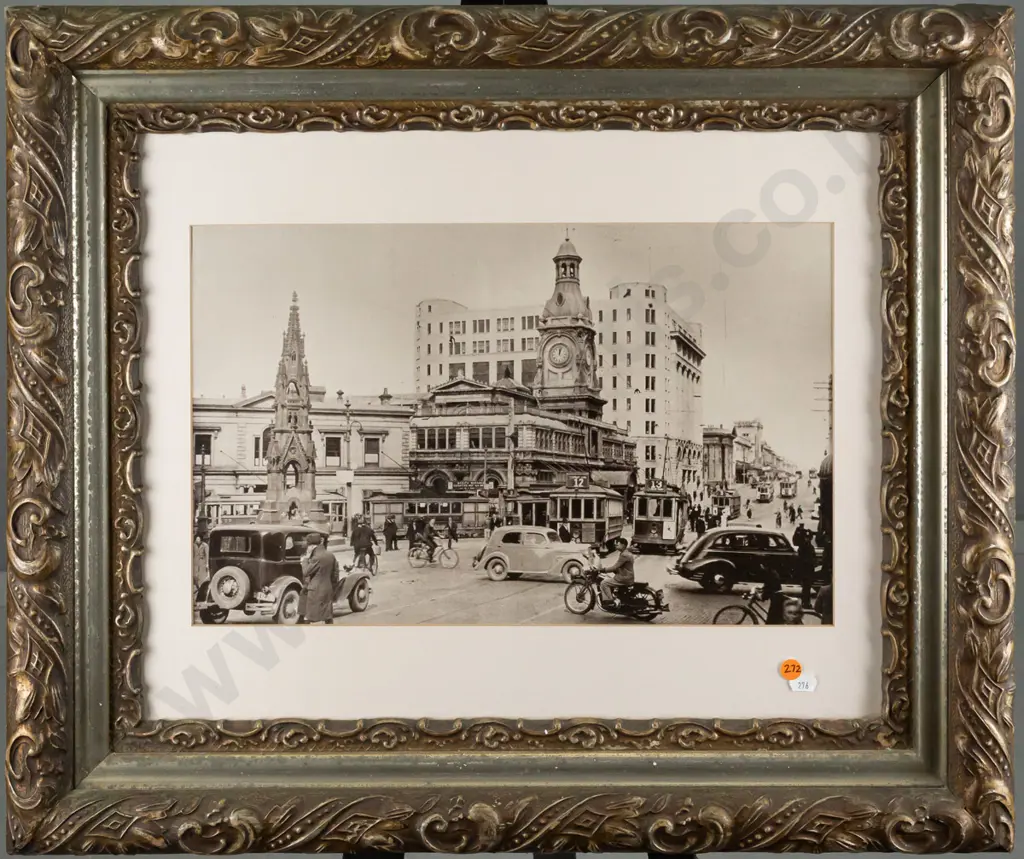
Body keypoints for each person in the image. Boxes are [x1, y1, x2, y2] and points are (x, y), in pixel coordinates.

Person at [299, 531, 338, 625]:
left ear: (312, 546)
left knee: (308, 616)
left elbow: (306, 572)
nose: (307, 548)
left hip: (315, 591)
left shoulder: (316, 557)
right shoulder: (330, 555)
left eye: (308, 546)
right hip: (328, 589)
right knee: (328, 616)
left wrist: (305, 560)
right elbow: (335, 574)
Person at [597, 537, 635, 604]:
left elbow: (614, 567)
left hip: (624, 578)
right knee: (609, 578)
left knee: (604, 583)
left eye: (618, 544)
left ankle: (610, 601)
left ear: (623, 545)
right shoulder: (627, 553)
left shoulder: (624, 555)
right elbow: (622, 566)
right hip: (628, 576)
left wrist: (603, 570)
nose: (616, 545)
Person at [796, 526, 817, 608]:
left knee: (806, 587)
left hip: (808, 569)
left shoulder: (807, 546)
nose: (808, 539)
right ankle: (805, 603)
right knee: (806, 587)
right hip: (806, 569)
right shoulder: (804, 547)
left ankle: (805, 602)